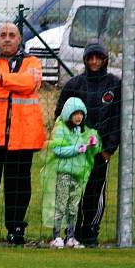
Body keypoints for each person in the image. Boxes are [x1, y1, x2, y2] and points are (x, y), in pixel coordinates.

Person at [0, 22, 46, 245]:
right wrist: (14, 83)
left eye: (11, 35)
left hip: (23, 136)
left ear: (20, 39)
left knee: (19, 187)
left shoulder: (32, 61)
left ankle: (16, 229)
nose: (7, 38)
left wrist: (3, 79)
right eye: (2, 35)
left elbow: (31, 84)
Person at [54, 42, 121, 247]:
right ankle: (70, 231)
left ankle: (90, 230)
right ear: (85, 60)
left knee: (95, 191)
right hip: (76, 152)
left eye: (98, 58)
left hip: (99, 153)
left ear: (105, 60)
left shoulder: (114, 85)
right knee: (73, 191)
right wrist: (70, 142)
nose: (94, 62)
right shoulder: (74, 85)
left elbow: (118, 119)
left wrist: (108, 149)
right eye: (90, 58)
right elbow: (60, 115)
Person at [40, 97, 101, 248]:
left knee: (73, 206)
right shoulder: (60, 129)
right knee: (61, 204)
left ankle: (71, 236)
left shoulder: (84, 131)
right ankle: (56, 236)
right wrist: (76, 149)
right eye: (75, 113)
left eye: (81, 113)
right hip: (64, 173)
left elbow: (91, 150)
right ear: (68, 114)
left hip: (78, 174)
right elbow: (58, 149)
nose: (78, 116)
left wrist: (93, 144)